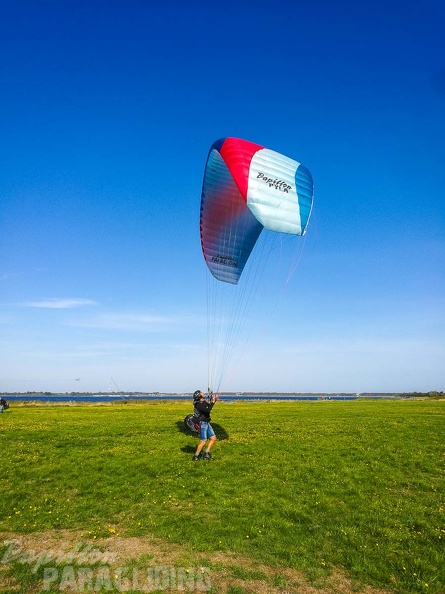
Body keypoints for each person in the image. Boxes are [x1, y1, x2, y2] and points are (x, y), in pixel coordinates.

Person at [192, 390, 219, 461]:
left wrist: (214, 400)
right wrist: (213, 403)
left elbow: (208, 406)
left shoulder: (202, 401)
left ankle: (206, 454)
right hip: (202, 424)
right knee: (203, 441)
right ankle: (196, 456)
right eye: (201, 392)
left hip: (207, 423)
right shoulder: (198, 405)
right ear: (199, 396)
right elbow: (207, 410)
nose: (203, 392)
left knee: (213, 438)